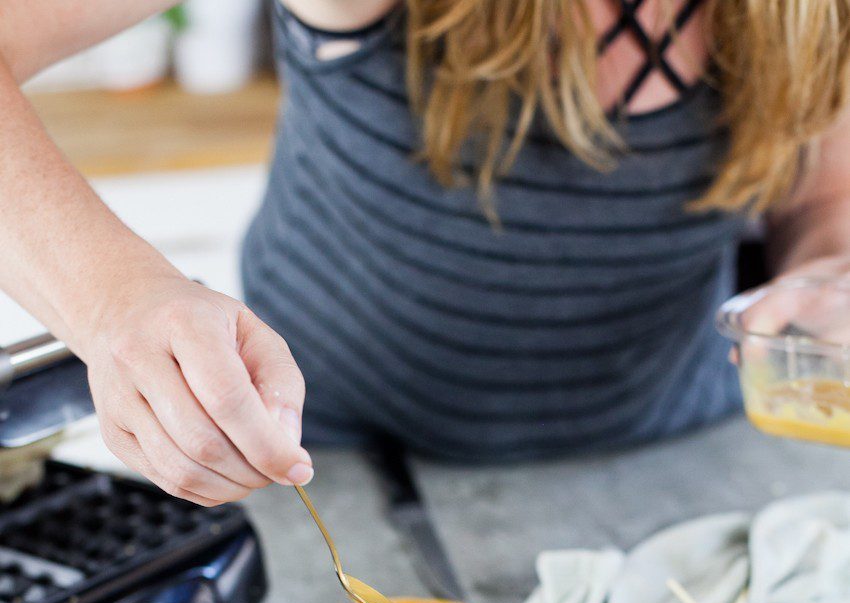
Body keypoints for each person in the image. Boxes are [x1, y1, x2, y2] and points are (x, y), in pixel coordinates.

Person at [1, 2, 849, 505]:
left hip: (675, 461)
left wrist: (825, 270)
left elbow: (822, 187)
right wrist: (115, 301)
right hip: (336, 472)